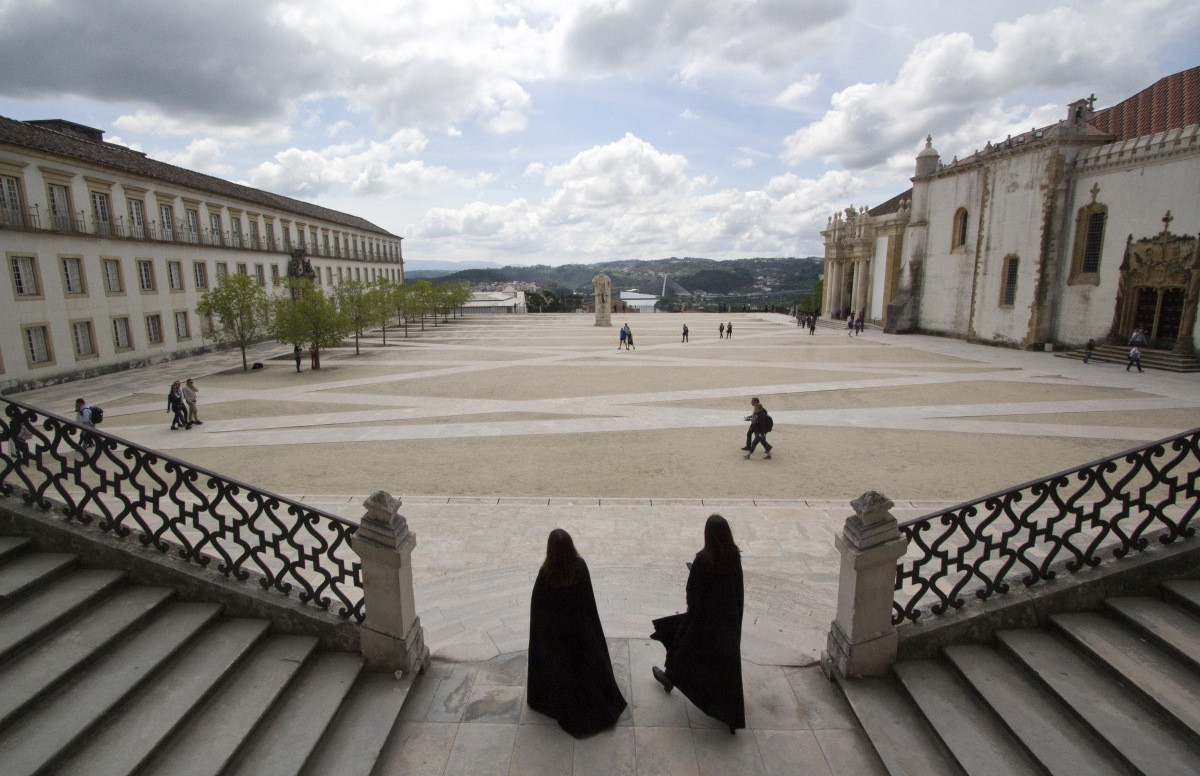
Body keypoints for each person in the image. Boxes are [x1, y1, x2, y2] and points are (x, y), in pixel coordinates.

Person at [527, 529, 627, 738]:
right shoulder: (580, 568)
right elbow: (588, 605)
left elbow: (539, 613)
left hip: (556, 641)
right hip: (580, 635)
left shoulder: (546, 575)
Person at [651, 514, 745, 734]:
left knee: (680, 649)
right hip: (727, 625)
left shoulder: (704, 560)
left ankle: (670, 677)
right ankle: (730, 715)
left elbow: (693, 594)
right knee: (724, 670)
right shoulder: (734, 556)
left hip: (703, 623)